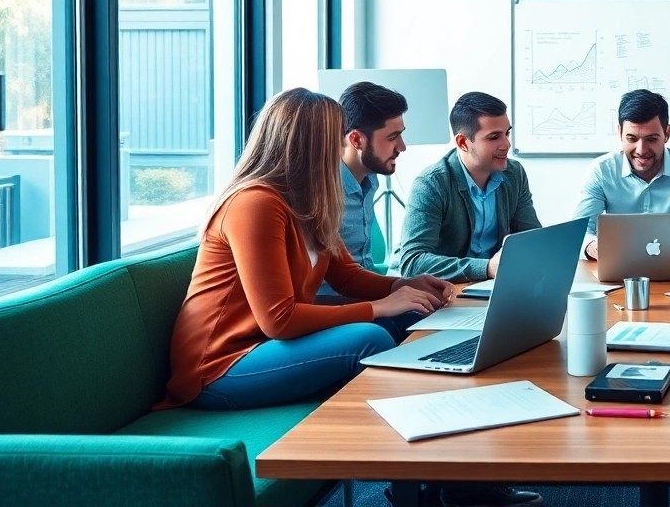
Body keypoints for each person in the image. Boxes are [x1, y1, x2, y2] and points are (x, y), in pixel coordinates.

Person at [159, 88, 455, 413]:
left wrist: (404, 287)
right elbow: (278, 319)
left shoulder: (308, 202)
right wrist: (379, 306)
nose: (343, 150)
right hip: (221, 366)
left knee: (407, 316)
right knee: (371, 338)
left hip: (271, 346)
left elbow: (346, 276)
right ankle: (405, 426)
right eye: (337, 141)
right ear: (312, 147)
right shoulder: (255, 203)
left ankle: (442, 404)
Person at [397, 92, 541, 282]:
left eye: (507, 133)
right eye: (493, 137)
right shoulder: (431, 184)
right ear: (463, 142)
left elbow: (531, 237)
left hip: (497, 286)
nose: (506, 144)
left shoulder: (514, 174)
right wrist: (486, 268)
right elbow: (412, 263)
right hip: (447, 292)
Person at [572, 89, 670, 260]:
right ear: (620, 133)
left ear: (667, 133)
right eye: (631, 139)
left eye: (651, 139)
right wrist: (592, 246)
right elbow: (578, 233)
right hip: (618, 271)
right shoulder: (602, 170)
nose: (641, 150)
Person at [316, 81, 408, 305]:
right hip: (329, 305)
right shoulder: (320, 193)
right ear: (356, 139)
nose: (402, 147)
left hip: (365, 295)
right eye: (392, 137)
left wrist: (406, 286)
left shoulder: (370, 178)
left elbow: (361, 270)